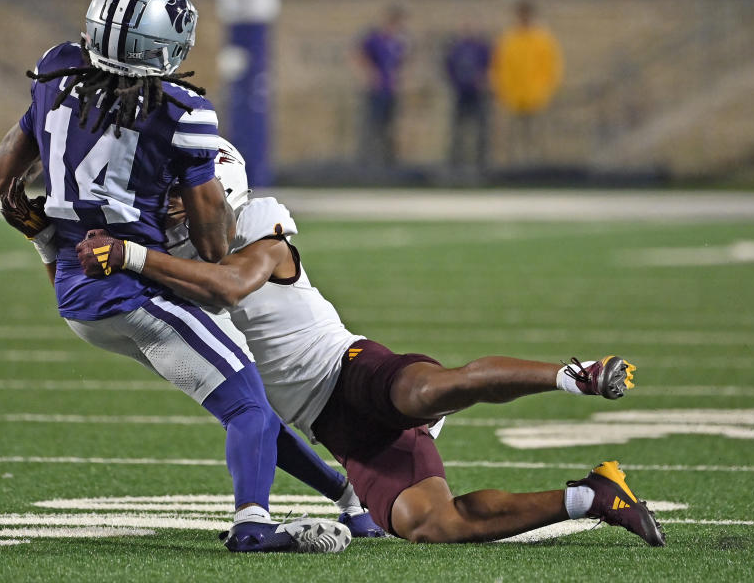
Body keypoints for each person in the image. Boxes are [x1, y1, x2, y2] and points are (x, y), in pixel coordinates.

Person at [73, 148, 665, 547]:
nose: (173, 202)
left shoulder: (265, 239)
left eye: (186, 192)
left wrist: (130, 255)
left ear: (224, 196)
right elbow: (255, 416)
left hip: (348, 366)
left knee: (428, 389)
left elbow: (226, 285)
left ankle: (574, 375)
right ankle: (592, 496)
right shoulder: (174, 257)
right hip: (325, 421)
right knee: (429, 525)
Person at [0, 0, 357, 553]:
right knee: (248, 408)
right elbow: (214, 251)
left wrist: (48, 231)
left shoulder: (55, 70)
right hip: (129, 286)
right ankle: (252, 526)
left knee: (241, 400)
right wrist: (183, 199)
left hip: (77, 289)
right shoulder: (184, 111)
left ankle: (345, 497)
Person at [489, 0, 563, 165]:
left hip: (537, 97)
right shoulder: (508, 39)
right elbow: (500, 67)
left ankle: (536, 168)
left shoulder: (543, 40)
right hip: (513, 97)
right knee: (513, 139)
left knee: (536, 137)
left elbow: (552, 67)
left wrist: (545, 90)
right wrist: (502, 90)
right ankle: (513, 169)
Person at [354, 5, 409, 169]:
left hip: (391, 89)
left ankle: (388, 162)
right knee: (372, 125)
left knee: (389, 126)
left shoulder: (398, 42)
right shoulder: (374, 38)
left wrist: (401, 78)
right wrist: (369, 74)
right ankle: (368, 161)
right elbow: (358, 55)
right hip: (376, 90)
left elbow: (403, 62)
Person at [443, 21, 492, 177]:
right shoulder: (456, 48)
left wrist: (484, 80)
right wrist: (455, 82)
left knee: (480, 129)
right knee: (458, 129)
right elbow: (448, 67)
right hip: (461, 93)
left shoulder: (481, 48)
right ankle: (456, 161)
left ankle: (480, 162)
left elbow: (490, 65)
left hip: (477, 93)